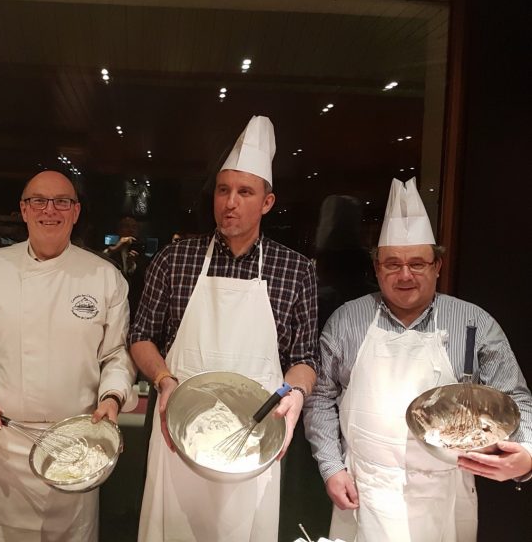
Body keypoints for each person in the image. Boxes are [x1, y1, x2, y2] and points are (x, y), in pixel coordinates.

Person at [303, 177, 532, 541]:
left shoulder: (475, 323)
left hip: (447, 494)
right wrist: (332, 467)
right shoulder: (348, 320)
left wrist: (526, 454)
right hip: (366, 491)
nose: (404, 274)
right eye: (392, 264)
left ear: (437, 265)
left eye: (417, 263)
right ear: (376, 268)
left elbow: (516, 398)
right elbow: (319, 397)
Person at [130, 115, 319, 542]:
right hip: (178, 431)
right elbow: (140, 336)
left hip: (255, 441)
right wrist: (163, 380)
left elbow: (305, 358)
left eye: (244, 192)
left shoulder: (295, 269)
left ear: (267, 202)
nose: (230, 202)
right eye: (222, 189)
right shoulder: (175, 259)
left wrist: (295, 397)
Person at [0, 169, 138, 541]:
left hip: (77, 442)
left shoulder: (104, 276)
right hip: (1, 443)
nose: (50, 210)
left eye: (62, 201)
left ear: (75, 212)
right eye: (38, 201)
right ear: (24, 211)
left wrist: (113, 395)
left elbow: (116, 356)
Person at [103, 216, 149, 318]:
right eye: (126, 226)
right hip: (110, 302)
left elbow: (145, 281)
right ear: (118, 230)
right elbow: (98, 262)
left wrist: (132, 266)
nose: (130, 230)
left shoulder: (143, 255)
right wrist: (116, 248)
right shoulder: (112, 250)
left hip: (134, 307)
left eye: (134, 227)